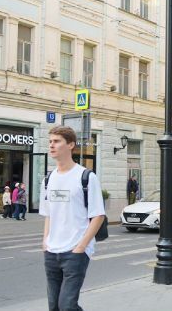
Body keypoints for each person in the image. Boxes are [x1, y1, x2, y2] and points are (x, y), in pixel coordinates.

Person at [40, 126, 106, 311]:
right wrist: (45, 241)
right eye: (50, 141)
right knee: (54, 306)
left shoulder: (86, 177)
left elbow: (98, 215)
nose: (52, 145)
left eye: (57, 141)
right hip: (51, 252)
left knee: (67, 305)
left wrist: (81, 247)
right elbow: (48, 214)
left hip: (74, 252)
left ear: (70, 145)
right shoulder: (48, 178)